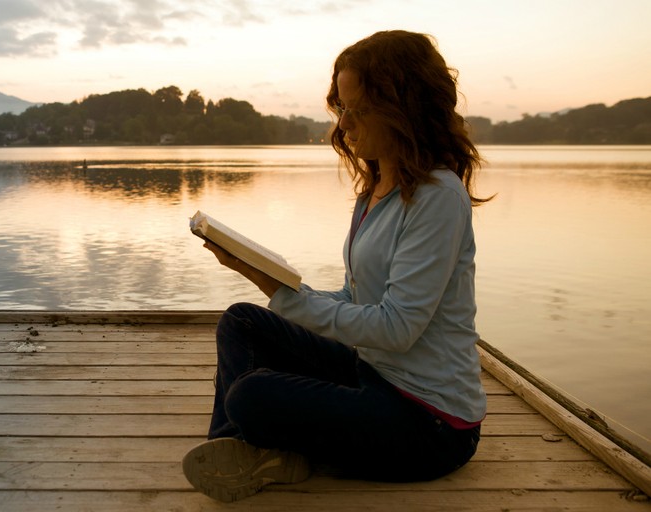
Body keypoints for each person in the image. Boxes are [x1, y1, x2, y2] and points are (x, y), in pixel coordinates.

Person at [182, 29, 492, 503]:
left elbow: (396, 329)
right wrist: (268, 281)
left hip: (430, 423)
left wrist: (284, 294)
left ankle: (254, 450)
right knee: (242, 321)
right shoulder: (376, 190)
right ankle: (238, 450)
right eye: (340, 107)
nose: (343, 123)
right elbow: (355, 300)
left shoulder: (437, 197)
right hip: (373, 373)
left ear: (403, 109)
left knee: (251, 395)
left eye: (358, 109)